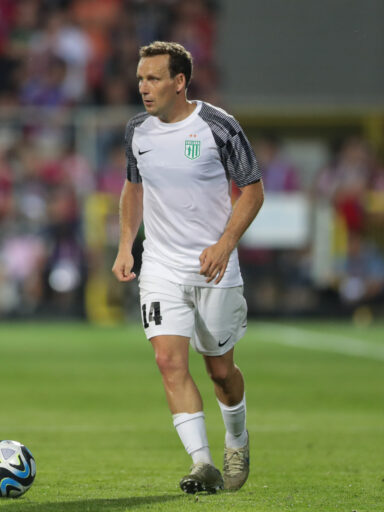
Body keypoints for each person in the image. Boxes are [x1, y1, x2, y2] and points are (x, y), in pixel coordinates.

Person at [112, 41, 264, 494]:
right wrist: (126, 246)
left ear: (180, 82)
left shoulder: (219, 127)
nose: (144, 87)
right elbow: (132, 188)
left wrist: (225, 244)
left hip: (214, 268)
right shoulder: (137, 131)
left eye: (153, 78)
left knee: (220, 372)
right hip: (161, 265)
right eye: (140, 78)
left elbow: (252, 191)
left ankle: (236, 438)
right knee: (168, 361)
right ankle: (203, 464)